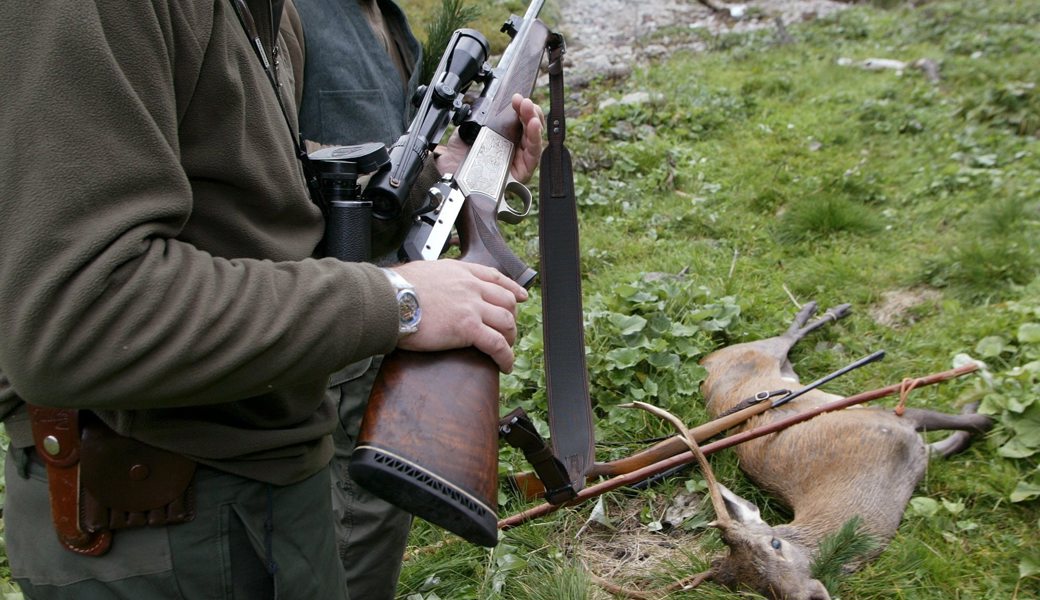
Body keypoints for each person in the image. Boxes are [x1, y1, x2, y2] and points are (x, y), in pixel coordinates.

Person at [0, 0, 536, 597]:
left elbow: (264, 231)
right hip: (158, 526)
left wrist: (439, 180)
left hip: (277, 489)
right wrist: (398, 302)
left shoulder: (268, 15)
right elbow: (78, 315)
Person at [291, 1, 544, 598]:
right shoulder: (292, 15)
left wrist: (452, 168)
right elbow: (280, 182)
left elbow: (387, 181)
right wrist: (396, 298)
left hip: (391, 320)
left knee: (374, 526)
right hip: (328, 333)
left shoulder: (382, 14)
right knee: (346, 537)